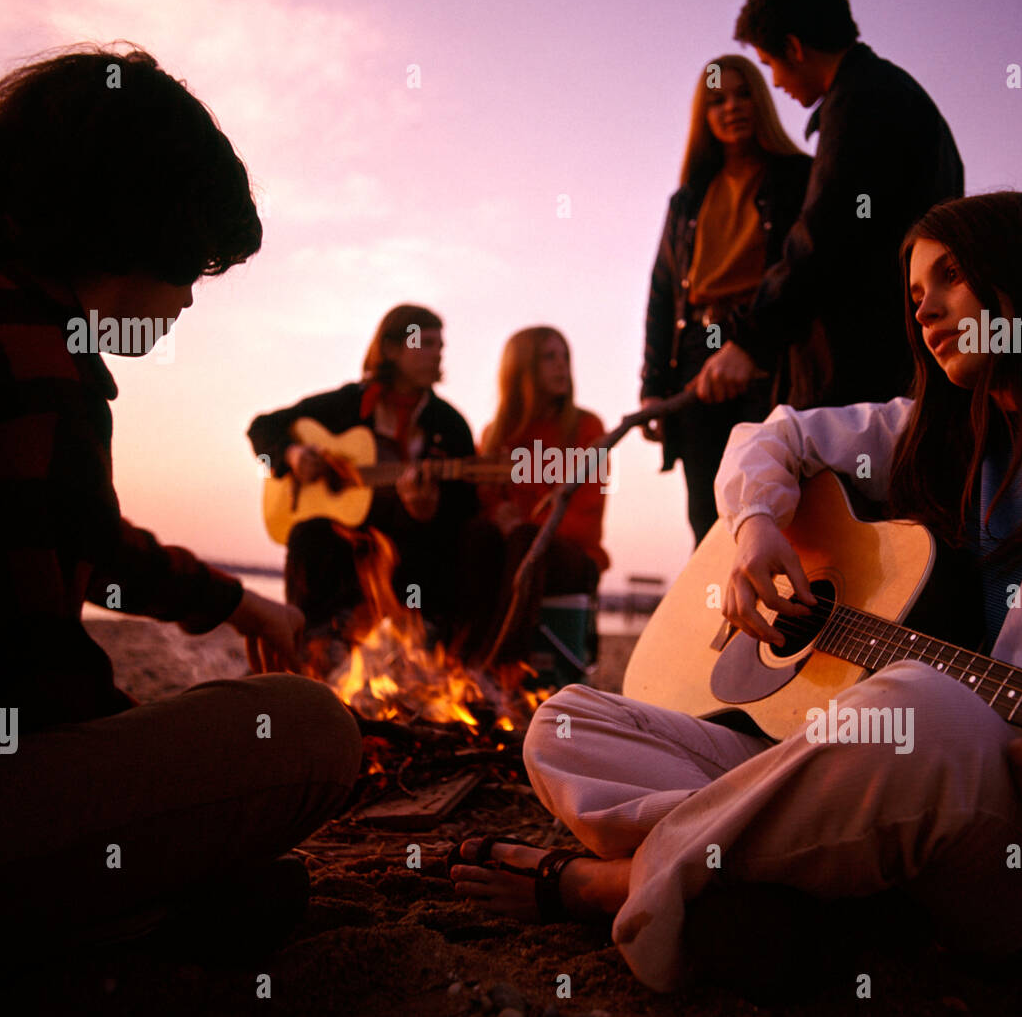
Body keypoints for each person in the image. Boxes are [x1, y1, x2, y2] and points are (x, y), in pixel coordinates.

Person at [451, 192, 1022, 994]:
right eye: (915, 296)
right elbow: (774, 435)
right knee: (566, 721)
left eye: (950, 277)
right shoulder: (935, 436)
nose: (926, 311)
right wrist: (754, 530)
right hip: (859, 769)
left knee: (919, 710)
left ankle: (620, 879)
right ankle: (792, 880)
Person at [0, 47, 362, 960]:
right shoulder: (37, 362)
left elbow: (80, 539)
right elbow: (27, 676)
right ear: (139, 233)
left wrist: (238, 602)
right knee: (311, 730)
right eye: (193, 270)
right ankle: (101, 919)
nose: (191, 304)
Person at [695, 0, 964, 417]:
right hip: (906, 362)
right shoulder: (899, 94)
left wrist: (748, 340)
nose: (775, 83)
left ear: (794, 48)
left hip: (861, 378)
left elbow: (824, 237)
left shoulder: (858, 105)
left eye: (769, 65)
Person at [640, 54, 811, 543]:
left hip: (767, 346)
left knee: (775, 503)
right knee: (708, 517)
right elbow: (662, 294)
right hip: (694, 351)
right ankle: (717, 617)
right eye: (716, 100)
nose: (731, 107)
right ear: (704, 115)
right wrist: (653, 385)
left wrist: (754, 344)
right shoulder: (687, 199)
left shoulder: (798, 176)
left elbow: (802, 271)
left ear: (760, 99)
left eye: (742, 94)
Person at [247, 305, 478, 656]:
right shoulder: (348, 404)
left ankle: (419, 637)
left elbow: (467, 505)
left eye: (440, 345)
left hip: (408, 548)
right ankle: (313, 641)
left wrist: (427, 511)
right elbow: (263, 427)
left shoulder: (449, 424)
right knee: (308, 533)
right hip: (341, 543)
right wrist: (293, 455)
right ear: (390, 349)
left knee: (427, 543)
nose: (437, 353)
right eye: (425, 343)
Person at [457, 327, 609, 665]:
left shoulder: (587, 428)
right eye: (549, 357)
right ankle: (459, 661)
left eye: (565, 357)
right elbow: (484, 505)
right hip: (514, 549)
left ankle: (501, 668)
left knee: (526, 539)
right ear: (520, 367)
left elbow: (586, 523)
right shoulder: (496, 435)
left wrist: (524, 523)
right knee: (476, 536)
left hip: (573, 557)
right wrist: (497, 516)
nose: (561, 366)